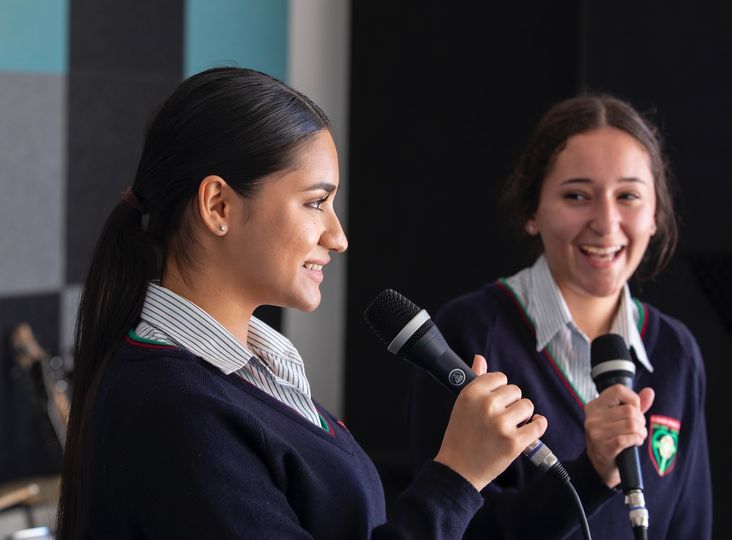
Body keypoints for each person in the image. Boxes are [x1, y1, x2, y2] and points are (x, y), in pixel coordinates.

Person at [55, 66, 547, 539]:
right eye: (315, 202)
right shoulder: (175, 411)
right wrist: (457, 477)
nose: (338, 237)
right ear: (218, 206)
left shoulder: (251, 370)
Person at [406, 95, 712, 539]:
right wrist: (592, 472)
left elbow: (691, 527)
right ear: (532, 211)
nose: (606, 223)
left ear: (656, 216)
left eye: (628, 196)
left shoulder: (676, 351)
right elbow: (451, 529)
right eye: (577, 196)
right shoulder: (469, 334)